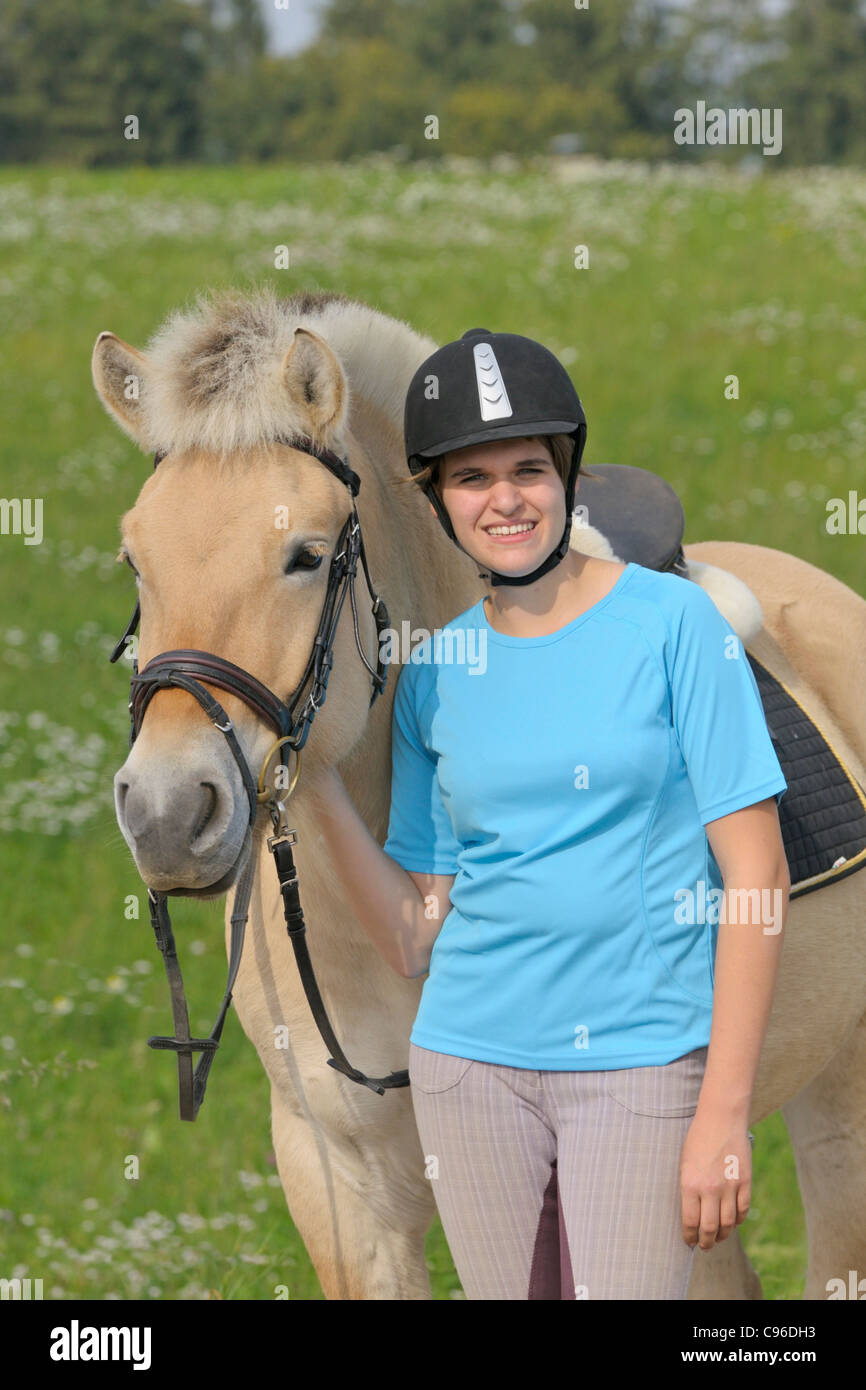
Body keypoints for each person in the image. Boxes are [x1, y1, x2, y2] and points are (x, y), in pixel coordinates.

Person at [308, 327, 790, 1300]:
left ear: (565, 471)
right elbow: (414, 934)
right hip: (466, 1068)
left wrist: (723, 1112)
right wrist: (312, 775)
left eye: (527, 467)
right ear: (437, 498)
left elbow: (755, 876)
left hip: (640, 1066)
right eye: (471, 477)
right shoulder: (435, 672)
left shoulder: (673, 626)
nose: (505, 499)